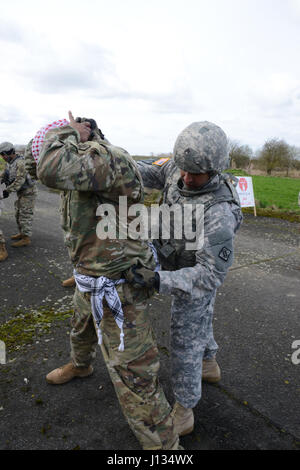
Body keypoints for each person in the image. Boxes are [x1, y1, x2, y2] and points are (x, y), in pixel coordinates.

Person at [37, 111, 181, 451]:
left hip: (119, 284)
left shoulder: (106, 160)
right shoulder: (82, 164)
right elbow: (38, 166)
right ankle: (81, 365)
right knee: (79, 328)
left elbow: (48, 166)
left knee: (135, 375)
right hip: (89, 276)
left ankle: (165, 448)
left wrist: (66, 131)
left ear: (83, 139)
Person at [126, 121, 243, 437]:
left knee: (185, 337)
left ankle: (185, 408)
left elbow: (210, 275)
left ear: (215, 170)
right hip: (172, 255)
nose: (187, 179)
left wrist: (159, 281)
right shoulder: (177, 170)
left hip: (194, 275)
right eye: (184, 170)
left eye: (196, 174)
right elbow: (144, 171)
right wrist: (106, 148)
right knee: (203, 318)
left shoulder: (220, 211)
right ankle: (210, 365)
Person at [0, 142, 37, 247]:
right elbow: (5, 174)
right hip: (21, 192)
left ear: (9, 152)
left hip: (28, 192)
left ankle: (26, 238)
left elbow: (19, 181)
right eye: (1, 155)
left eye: (3, 154)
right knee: (18, 214)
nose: (3, 157)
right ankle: (22, 233)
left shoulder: (21, 163)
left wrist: (7, 191)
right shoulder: (10, 162)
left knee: (25, 214)